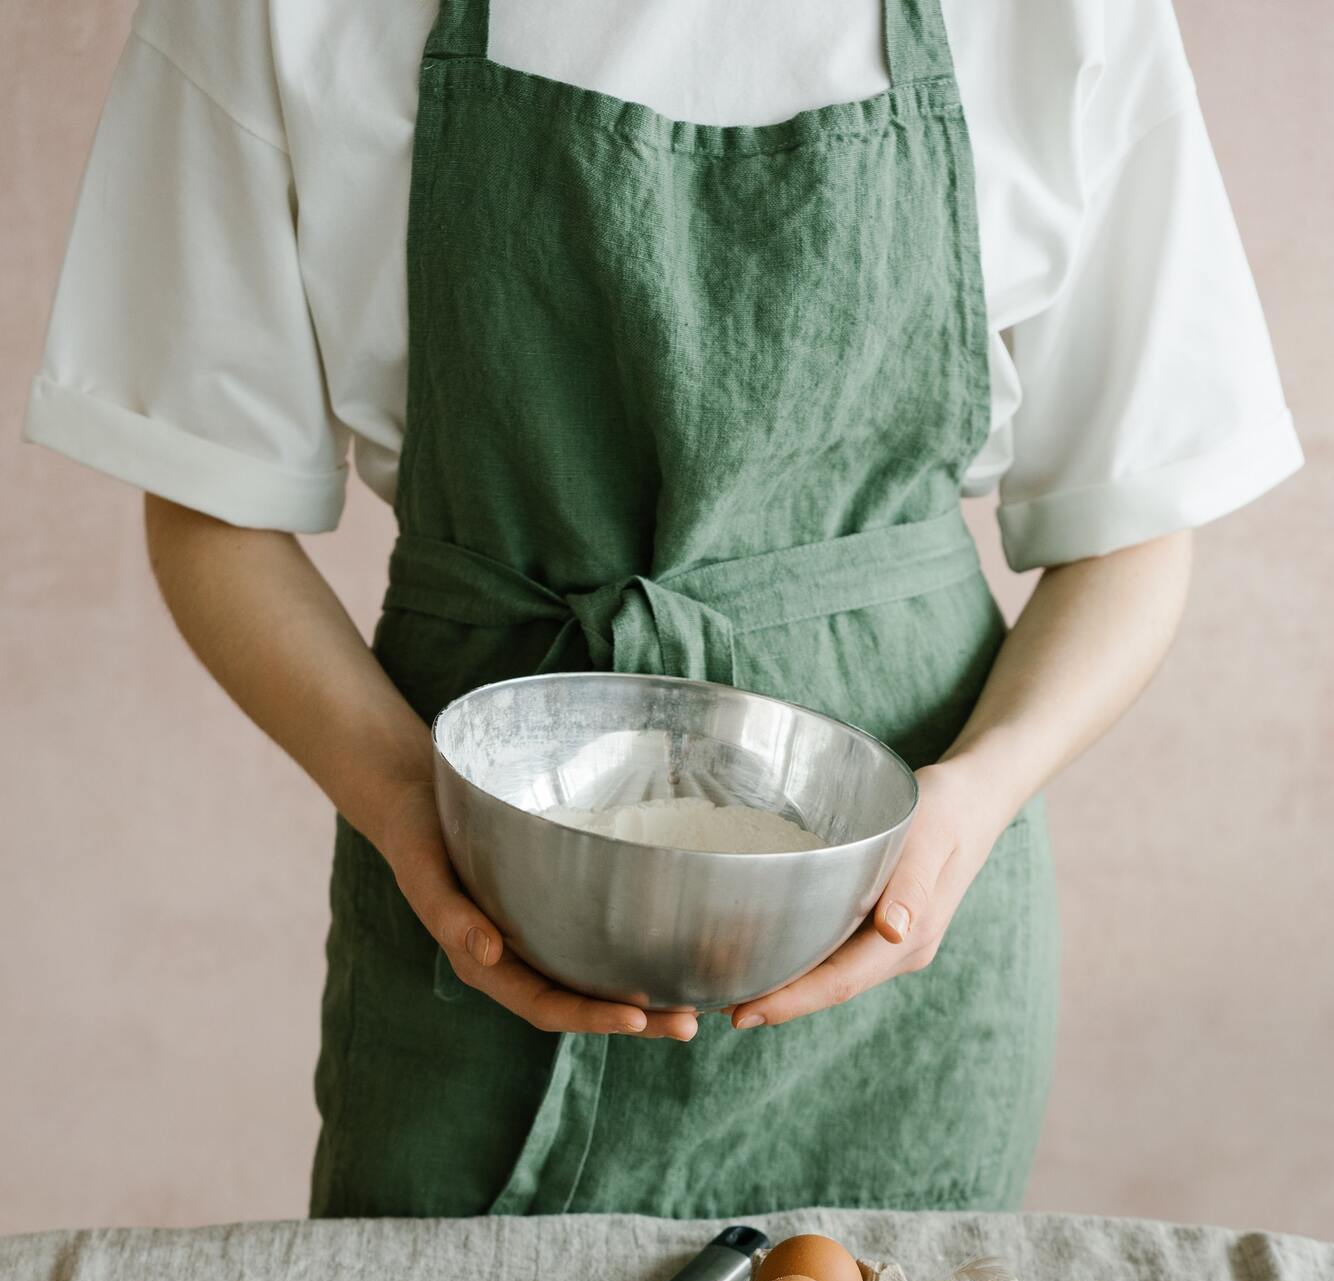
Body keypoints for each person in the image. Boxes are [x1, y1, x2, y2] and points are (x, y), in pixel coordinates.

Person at [25, 0, 1301, 1219]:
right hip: (474, 912)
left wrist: (974, 798)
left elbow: (1129, 530)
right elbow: (210, 508)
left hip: (897, 966)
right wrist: (411, 813)